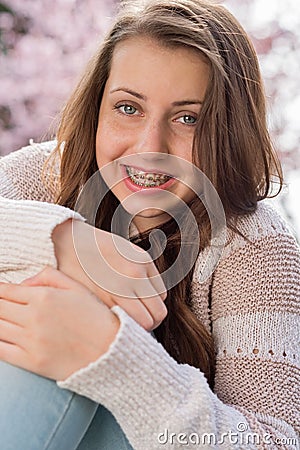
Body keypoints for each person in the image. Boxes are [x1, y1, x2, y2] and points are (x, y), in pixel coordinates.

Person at [0, 0, 299, 449]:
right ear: (97, 107)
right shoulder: (37, 178)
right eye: (128, 108)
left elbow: (275, 442)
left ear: (226, 131)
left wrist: (112, 359)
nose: (149, 146)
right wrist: (59, 239)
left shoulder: (253, 245)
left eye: (187, 119)